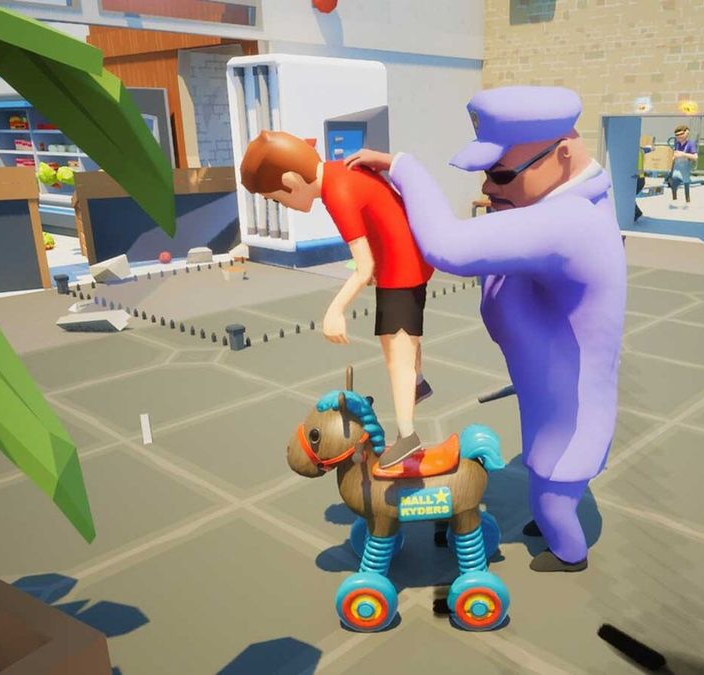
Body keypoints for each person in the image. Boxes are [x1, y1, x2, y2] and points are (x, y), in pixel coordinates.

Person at [346, 86, 626, 573]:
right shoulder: (554, 206)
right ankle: (553, 517)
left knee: (555, 488)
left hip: (572, 401)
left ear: (562, 156)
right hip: (547, 386)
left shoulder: (572, 222)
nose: (488, 188)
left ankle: (569, 552)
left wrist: (404, 167)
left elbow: (449, 246)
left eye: (501, 174)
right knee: (546, 467)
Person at [239, 130, 434, 468]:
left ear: (290, 181)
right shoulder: (341, 173)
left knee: (396, 354)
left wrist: (335, 310)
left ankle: (407, 436)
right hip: (405, 261)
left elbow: (363, 266)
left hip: (401, 269)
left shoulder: (337, 192)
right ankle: (417, 383)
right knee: (404, 338)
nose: (283, 206)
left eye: (276, 200)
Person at [667, 125, 698, 207]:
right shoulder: (677, 143)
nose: (679, 137)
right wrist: (671, 169)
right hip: (676, 168)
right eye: (677, 135)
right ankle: (674, 201)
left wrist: (683, 154)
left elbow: (695, 157)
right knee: (673, 185)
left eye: (681, 134)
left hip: (685, 169)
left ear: (686, 133)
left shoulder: (691, 144)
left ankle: (687, 202)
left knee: (686, 186)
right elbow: (674, 156)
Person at [634, 140, 653, 220]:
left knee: (628, 198)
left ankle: (637, 213)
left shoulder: (631, 151)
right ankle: (636, 213)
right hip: (641, 179)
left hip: (636, 179)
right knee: (630, 198)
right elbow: (649, 149)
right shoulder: (641, 150)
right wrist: (651, 148)